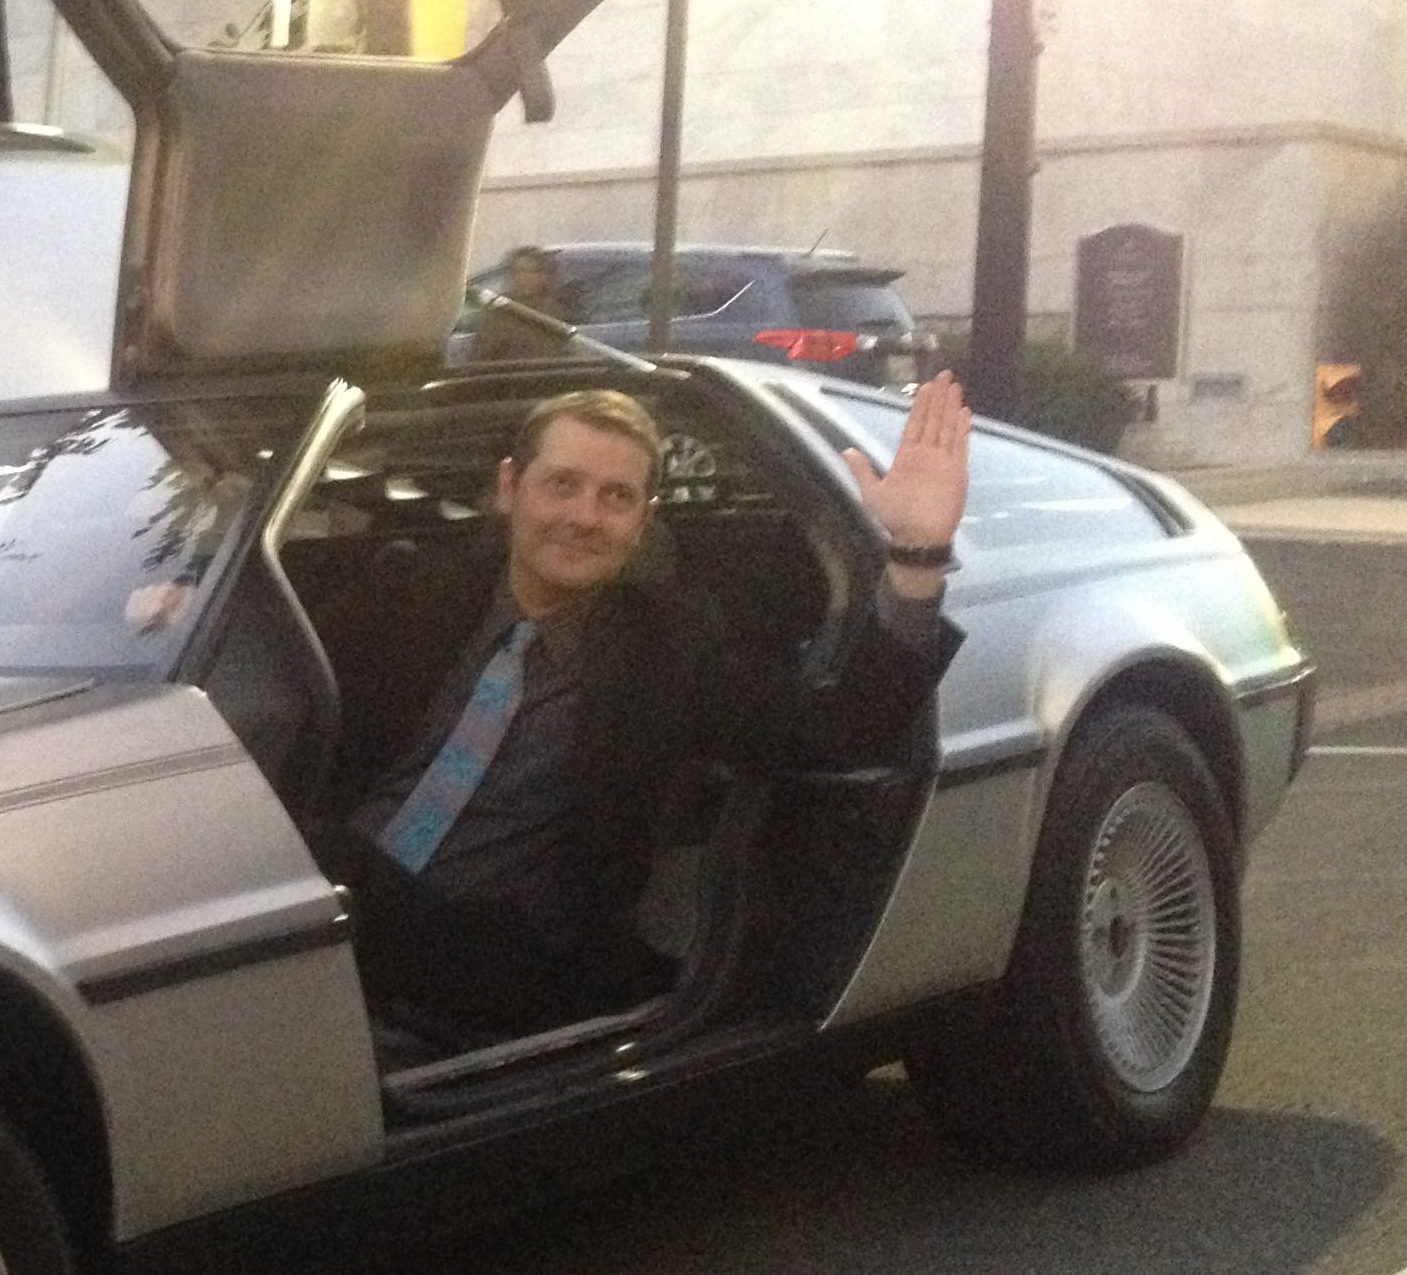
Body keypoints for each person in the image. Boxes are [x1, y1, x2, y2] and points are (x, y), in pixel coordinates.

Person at [327, 375, 972, 1046]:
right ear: (510, 488)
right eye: (562, 485)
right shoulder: (415, 593)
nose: (583, 517)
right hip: (347, 906)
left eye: (616, 498)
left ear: (642, 523)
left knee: (326, 870)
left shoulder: (668, 647)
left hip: (508, 957)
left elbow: (839, 734)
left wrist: (916, 557)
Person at [471, 246, 568, 363]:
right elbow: (482, 357)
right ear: (512, 276)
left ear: (544, 276)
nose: (526, 277)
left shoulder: (554, 310)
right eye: (520, 271)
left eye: (533, 271)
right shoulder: (500, 311)